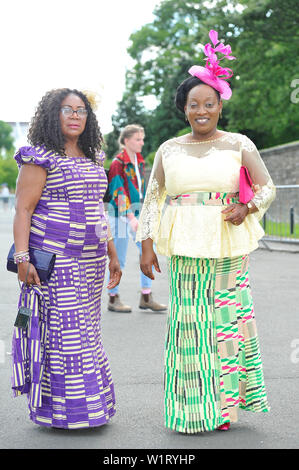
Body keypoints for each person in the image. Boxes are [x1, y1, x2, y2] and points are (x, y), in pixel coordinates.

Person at [137, 30, 276, 433]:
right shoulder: (168, 149)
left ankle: (224, 409)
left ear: (219, 106)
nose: (201, 110)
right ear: (184, 109)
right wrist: (146, 247)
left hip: (227, 245)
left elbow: (266, 187)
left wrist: (247, 205)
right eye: (193, 104)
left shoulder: (239, 144)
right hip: (182, 247)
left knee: (226, 322)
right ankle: (191, 408)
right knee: (188, 324)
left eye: (209, 104)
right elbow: (152, 200)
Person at [11, 88, 121, 429]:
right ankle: (68, 413)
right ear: (52, 115)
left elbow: (97, 210)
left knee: (88, 331)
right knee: (65, 333)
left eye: (81, 110)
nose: (75, 115)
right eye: (67, 109)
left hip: (92, 261)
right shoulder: (39, 156)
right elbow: (23, 209)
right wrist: (22, 258)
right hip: (57, 259)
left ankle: (91, 406)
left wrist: (112, 253)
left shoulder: (93, 156)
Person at [107, 124, 167, 313]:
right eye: (138, 139)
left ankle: (146, 296)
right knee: (120, 259)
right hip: (120, 215)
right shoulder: (118, 163)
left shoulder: (139, 161)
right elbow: (118, 191)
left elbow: (140, 190)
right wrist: (131, 216)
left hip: (137, 212)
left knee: (148, 250)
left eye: (142, 138)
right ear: (127, 141)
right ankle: (113, 298)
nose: (142, 142)